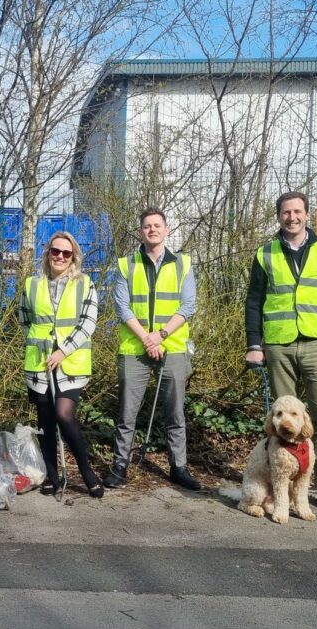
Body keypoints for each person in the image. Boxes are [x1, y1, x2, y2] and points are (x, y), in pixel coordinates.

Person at [245, 191, 317, 516]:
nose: (291, 217)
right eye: (285, 212)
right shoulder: (265, 253)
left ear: (307, 215)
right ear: (278, 217)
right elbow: (253, 302)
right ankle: (287, 491)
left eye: (297, 211)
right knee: (284, 425)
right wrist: (254, 345)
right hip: (278, 344)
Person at [105, 208, 200, 491]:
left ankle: (178, 467)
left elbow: (188, 305)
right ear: (140, 231)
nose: (152, 230)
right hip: (134, 348)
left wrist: (159, 336)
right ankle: (120, 465)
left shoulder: (183, 264)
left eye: (157, 225)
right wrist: (147, 339)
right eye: (147, 226)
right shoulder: (126, 264)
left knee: (175, 412)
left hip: (172, 347)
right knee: (127, 413)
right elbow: (122, 307)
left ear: (166, 229)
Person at [20, 231, 104, 498]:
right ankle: (51, 477)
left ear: (73, 257)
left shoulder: (85, 284)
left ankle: (87, 472)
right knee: (44, 419)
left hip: (71, 364)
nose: (60, 256)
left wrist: (63, 350)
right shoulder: (31, 284)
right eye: (55, 251)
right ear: (48, 254)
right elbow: (25, 319)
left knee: (63, 414)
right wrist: (42, 344)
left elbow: (88, 323)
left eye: (66, 253)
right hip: (39, 363)